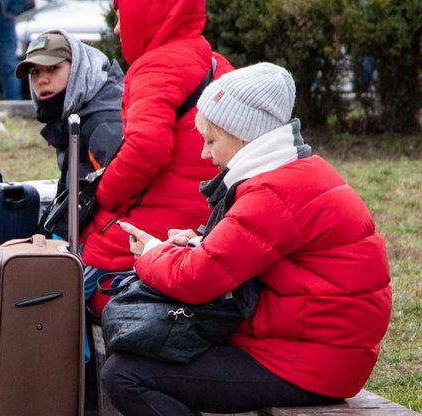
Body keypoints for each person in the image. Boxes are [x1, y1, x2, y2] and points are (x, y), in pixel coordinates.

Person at [103, 63, 392, 415]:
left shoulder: (275, 192)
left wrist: (150, 251)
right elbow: (239, 257)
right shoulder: (290, 174)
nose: (204, 154)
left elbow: (195, 279)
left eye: (211, 140)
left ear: (242, 136)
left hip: (310, 364)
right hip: (312, 351)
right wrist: (196, 244)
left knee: (126, 374)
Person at [81, 0, 235, 317]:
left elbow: (146, 147)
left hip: (149, 235)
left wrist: (103, 194)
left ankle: (73, 366)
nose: (117, 29)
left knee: (55, 287)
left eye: (122, 17)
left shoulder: (156, 67)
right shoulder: (217, 63)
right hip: (201, 228)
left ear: (146, 15)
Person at [15, 29, 123, 199]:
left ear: (78, 69)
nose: (42, 80)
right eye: (35, 72)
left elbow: (121, 199)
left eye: (53, 68)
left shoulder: (103, 124)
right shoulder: (72, 116)